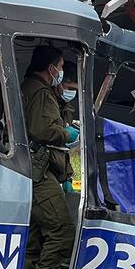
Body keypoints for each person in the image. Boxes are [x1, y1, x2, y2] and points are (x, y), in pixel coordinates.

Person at [20, 45, 79, 269]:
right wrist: (69, 134)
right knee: (62, 229)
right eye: (61, 67)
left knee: (34, 237)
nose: (62, 72)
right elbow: (43, 130)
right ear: (51, 67)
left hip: (35, 171)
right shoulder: (41, 92)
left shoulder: (33, 89)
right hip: (38, 173)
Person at [58, 61, 79, 194]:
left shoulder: (67, 109)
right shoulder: (48, 104)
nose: (71, 93)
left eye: (75, 90)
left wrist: (67, 177)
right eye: (69, 88)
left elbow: (63, 150)